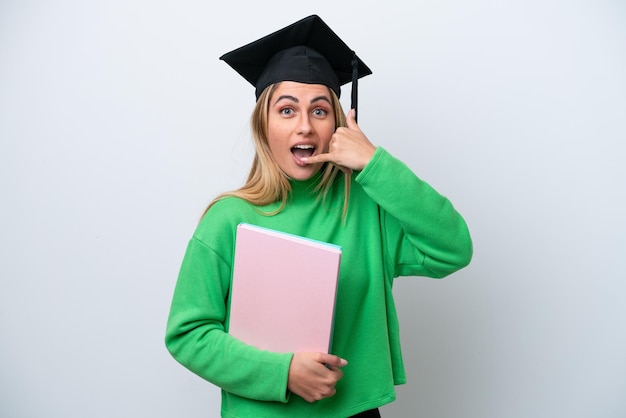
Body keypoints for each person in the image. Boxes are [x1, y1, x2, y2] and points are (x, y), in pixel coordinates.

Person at [165, 15, 472, 418]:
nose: (305, 127)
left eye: (320, 111)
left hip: (355, 412)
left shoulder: (367, 208)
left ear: (339, 124)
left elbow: (453, 248)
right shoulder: (228, 219)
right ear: (264, 124)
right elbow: (188, 334)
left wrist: (374, 164)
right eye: (287, 110)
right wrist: (283, 371)